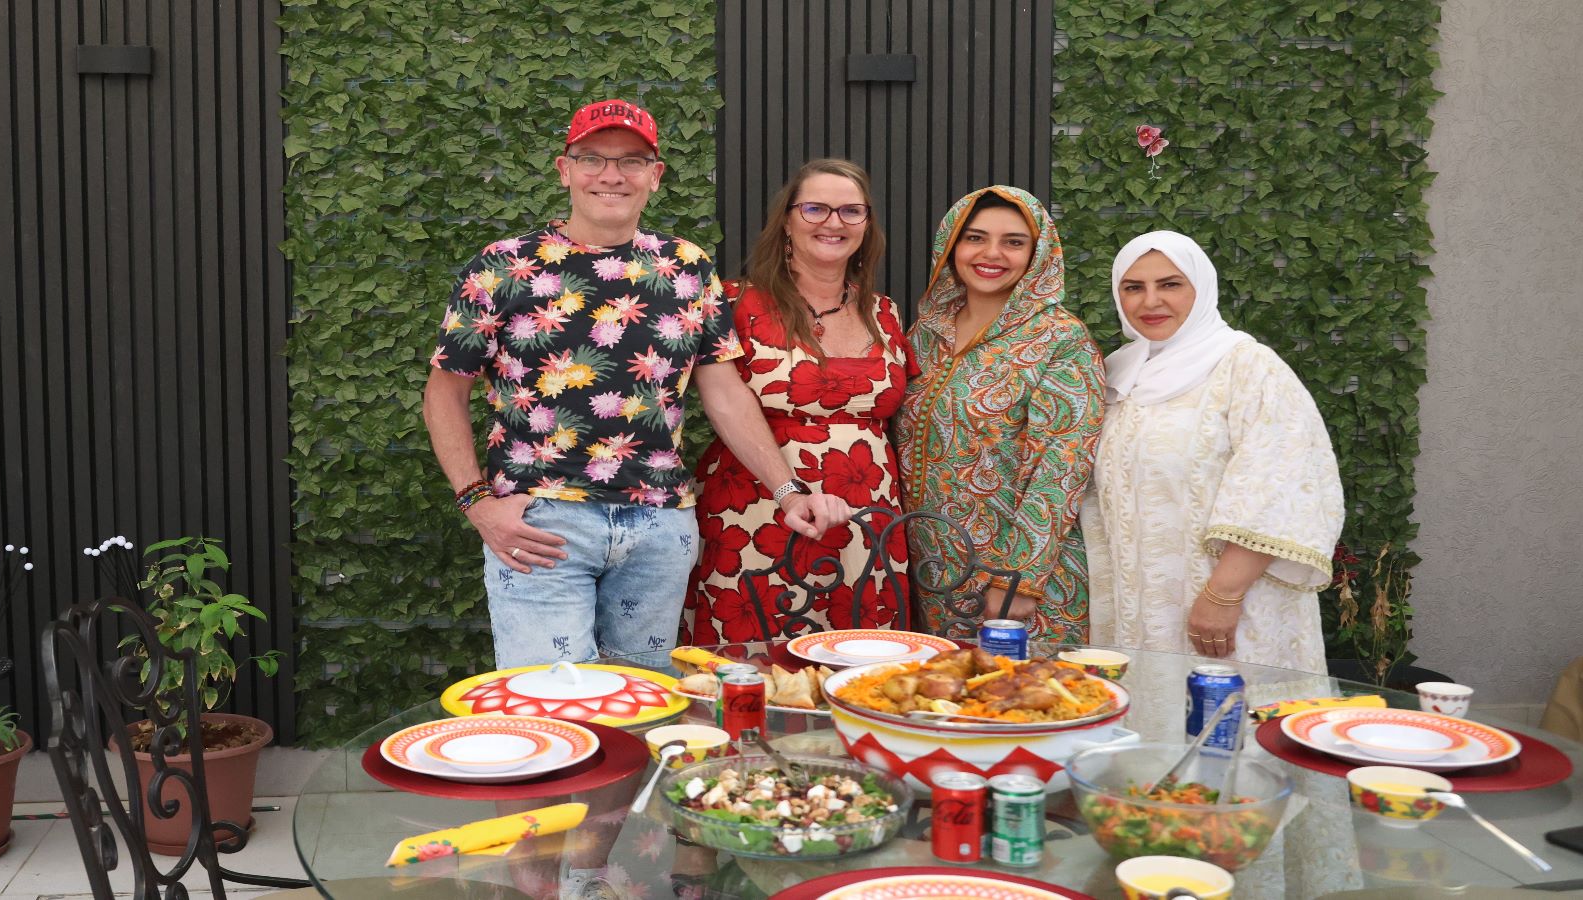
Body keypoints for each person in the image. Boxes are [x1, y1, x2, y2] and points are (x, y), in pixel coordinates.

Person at [423, 99, 849, 669]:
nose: (611, 175)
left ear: (656, 175)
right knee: (552, 702)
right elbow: (444, 392)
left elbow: (722, 392)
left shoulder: (686, 267)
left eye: (631, 161)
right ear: (564, 169)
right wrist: (477, 502)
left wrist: (787, 490)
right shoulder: (503, 266)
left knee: (644, 704)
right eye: (593, 158)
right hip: (542, 522)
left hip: (659, 525)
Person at [1084, 230, 1344, 672]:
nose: (1151, 302)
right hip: (1141, 606)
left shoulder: (1247, 367)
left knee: (1226, 724)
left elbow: (1280, 486)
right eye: (1134, 287)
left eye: (1170, 284)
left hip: (1230, 609)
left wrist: (1222, 596)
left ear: (1201, 289)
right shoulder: (1117, 372)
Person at [683, 159, 917, 643]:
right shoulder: (733, 303)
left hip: (866, 517)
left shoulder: (886, 313)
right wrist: (789, 491)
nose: (834, 223)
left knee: (861, 660)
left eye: (852, 211)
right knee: (753, 656)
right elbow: (720, 401)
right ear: (786, 220)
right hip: (755, 509)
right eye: (815, 208)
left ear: (867, 225)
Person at [895, 186, 1105, 641]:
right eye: (975, 238)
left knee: (1025, 702)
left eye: (1013, 241)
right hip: (935, 568)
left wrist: (1019, 579)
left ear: (1038, 253)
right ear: (951, 246)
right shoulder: (926, 333)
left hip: (1019, 579)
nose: (992, 253)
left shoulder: (1061, 339)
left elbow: (1063, 464)